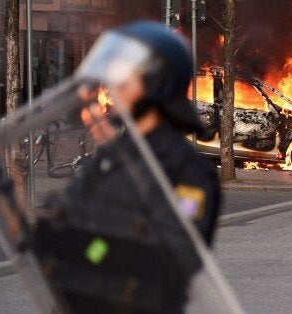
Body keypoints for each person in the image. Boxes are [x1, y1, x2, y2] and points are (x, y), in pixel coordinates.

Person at [40, 21, 220, 312]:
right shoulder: (114, 156)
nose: (113, 89)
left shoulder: (188, 170)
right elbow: (76, 220)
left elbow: (174, 253)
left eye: (124, 79)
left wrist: (95, 251)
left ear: (156, 83)